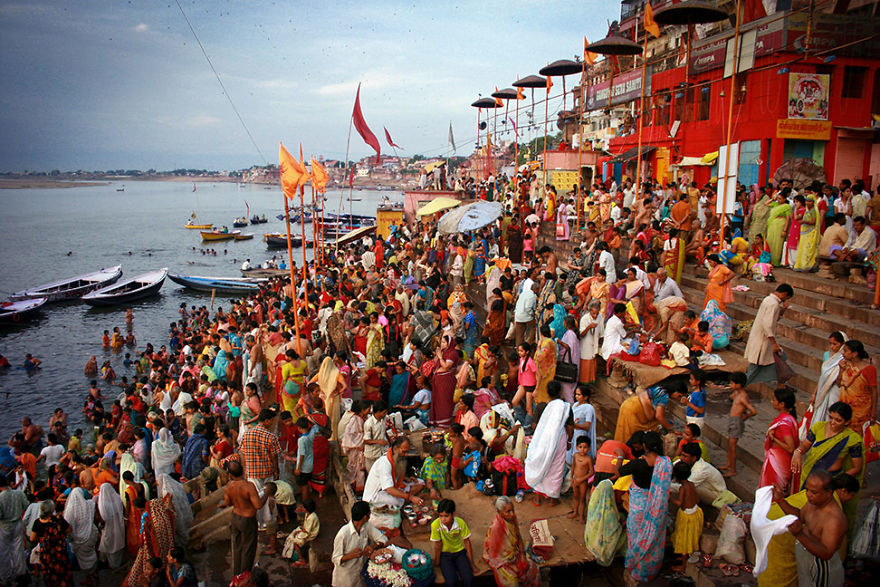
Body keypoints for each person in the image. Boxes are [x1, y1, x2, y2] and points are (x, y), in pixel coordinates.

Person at [776, 470, 846, 587]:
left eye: (813, 492)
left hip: (821, 568)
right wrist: (780, 500)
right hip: (807, 560)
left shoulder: (834, 520)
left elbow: (827, 553)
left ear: (829, 493)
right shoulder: (813, 502)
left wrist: (799, 535)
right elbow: (800, 516)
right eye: (807, 490)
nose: (808, 494)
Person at [621, 431, 672, 584]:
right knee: (654, 539)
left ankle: (635, 570)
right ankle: (649, 570)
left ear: (645, 447)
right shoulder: (666, 463)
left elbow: (621, 471)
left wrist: (618, 457)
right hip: (657, 510)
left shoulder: (638, 464)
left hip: (639, 507)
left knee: (636, 537)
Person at [222, 460, 276, 576]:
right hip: (247, 520)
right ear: (243, 470)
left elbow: (227, 502)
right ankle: (245, 576)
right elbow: (257, 505)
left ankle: (237, 574)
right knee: (248, 549)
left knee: (237, 547)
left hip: (235, 517)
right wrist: (266, 493)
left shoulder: (229, 486)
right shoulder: (249, 486)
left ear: (230, 474)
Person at [524, 380, 573, 506]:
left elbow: (535, 426)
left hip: (543, 439)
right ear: (560, 392)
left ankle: (537, 498)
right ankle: (553, 499)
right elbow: (570, 428)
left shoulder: (542, 406)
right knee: (556, 468)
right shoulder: (566, 407)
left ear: (547, 392)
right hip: (560, 440)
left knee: (540, 463)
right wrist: (569, 441)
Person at [482, 496, 540, 587]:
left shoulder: (512, 519)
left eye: (512, 510)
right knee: (512, 579)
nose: (512, 514)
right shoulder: (496, 528)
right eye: (508, 512)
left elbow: (518, 536)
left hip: (514, 552)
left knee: (532, 567)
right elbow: (495, 556)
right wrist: (511, 566)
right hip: (502, 559)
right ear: (500, 513)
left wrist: (522, 554)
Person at [122, 494, 176, 587]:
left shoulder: (154, 524)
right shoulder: (165, 517)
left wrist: (146, 530)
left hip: (155, 554)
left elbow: (149, 540)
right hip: (167, 552)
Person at [744, 284, 794, 385]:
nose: (785, 299)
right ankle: (740, 386)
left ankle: (781, 384)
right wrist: (773, 343)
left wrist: (783, 310)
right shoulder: (773, 304)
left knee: (780, 359)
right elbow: (767, 325)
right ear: (784, 294)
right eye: (787, 297)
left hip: (762, 339)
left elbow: (772, 320)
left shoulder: (769, 300)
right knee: (755, 368)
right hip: (763, 341)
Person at [331, 500, 388, 587]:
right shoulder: (343, 534)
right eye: (369, 513)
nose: (370, 516)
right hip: (345, 579)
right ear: (365, 517)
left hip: (360, 574)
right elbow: (335, 558)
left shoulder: (366, 526)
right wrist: (352, 555)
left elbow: (383, 539)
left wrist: (374, 546)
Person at [363, 436, 424, 508]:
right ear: (395, 449)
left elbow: (394, 476)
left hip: (392, 486)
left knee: (420, 482)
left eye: (407, 452)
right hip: (376, 496)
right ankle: (406, 502)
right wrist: (410, 497)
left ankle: (407, 500)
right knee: (399, 501)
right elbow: (389, 489)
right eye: (404, 452)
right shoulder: (384, 463)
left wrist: (405, 479)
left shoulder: (395, 458)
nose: (406, 455)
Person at [761, 387, 799, 493]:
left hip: (779, 462)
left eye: (774, 400)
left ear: (782, 404)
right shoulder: (789, 419)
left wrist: (774, 438)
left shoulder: (784, 424)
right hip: (780, 460)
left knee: (773, 493)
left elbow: (790, 448)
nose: (772, 401)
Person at [431, 498, 475, 587]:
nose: (443, 519)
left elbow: (467, 543)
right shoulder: (435, 525)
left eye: (446, 516)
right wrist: (437, 561)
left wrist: (471, 563)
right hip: (445, 555)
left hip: (460, 553)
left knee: (468, 578)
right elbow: (438, 545)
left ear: (453, 514)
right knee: (451, 581)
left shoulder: (460, 523)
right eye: (441, 516)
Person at [614, 384, 680, 442]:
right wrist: (670, 428)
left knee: (623, 430)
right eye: (679, 396)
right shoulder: (664, 397)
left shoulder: (658, 388)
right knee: (631, 434)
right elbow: (658, 416)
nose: (678, 398)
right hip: (634, 409)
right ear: (676, 392)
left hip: (628, 403)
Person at [836, 339, 877, 433]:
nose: (843, 353)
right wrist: (841, 370)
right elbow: (839, 384)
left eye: (846, 351)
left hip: (861, 412)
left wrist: (873, 414)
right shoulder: (845, 366)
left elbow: (874, 392)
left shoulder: (869, 369)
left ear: (854, 354)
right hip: (844, 408)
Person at [669, 461, 702, 573]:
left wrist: (669, 499)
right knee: (691, 537)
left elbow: (680, 503)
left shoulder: (682, 488)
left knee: (684, 540)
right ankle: (685, 557)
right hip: (696, 512)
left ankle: (683, 567)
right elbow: (697, 499)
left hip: (687, 516)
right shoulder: (691, 484)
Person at [811, 331, 847, 424]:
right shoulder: (826, 355)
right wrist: (814, 394)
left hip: (835, 389)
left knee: (832, 412)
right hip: (823, 389)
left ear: (842, 344)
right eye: (830, 344)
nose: (832, 346)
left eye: (835, 344)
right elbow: (823, 376)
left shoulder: (844, 358)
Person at [0, 473, 28, 583]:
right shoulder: (19, 494)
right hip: (17, 524)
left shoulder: (0, 498)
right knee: (18, 549)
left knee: (4, 552)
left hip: (4, 527)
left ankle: (5, 576)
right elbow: (26, 505)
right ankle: (20, 573)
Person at [97, 483, 126, 568]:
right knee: (118, 543)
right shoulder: (117, 498)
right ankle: (117, 564)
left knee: (109, 545)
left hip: (109, 528)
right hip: (119, 526)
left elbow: (103, 518)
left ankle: (112, 565)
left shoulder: (103, 503)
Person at [284, 498, 319, 567]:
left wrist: (300, 530)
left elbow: (307, 531)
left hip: (311, 534)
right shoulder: (308, 514)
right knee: (294, 532)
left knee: (295, 543)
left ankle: (301, 559)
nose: (301, 508)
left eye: (303, 507)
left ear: (306, 509)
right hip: (307, 530)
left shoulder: (312, 518)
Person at [568, 436, 594, 522]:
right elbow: (573, 466)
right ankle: (575, 512)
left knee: (582, 499)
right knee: (576, 497)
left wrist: (582, 479)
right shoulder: (575, 455)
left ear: (589, 448)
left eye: (585, 447)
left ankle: (582, 516)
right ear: (576, 447)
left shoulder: (588, 459)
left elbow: (591, 472)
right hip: (575, 480)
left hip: (583, 482)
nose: (582, 450)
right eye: (580, 447)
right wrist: (571, 477)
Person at [578, 300, 604, 384]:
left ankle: (591, 384)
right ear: (590, 312)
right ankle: (583, 384)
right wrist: (589, 327)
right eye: (593, 314)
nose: (595, 316)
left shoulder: (600, 317)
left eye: (597, 313)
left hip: (594, 345)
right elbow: (581, 334)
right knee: (585, 365)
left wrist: (600, 345)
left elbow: (601, 332)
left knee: (593, 365)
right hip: (586, 345)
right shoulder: (584, 319)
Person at [363, 401, 388, 472]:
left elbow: (384, 431)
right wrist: (378, 442)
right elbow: (366, 440)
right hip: (372, 455)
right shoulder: (369, 423)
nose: (385, 414)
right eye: (384, 412)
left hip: (382, 453)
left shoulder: (384, 419)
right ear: (378, 412)